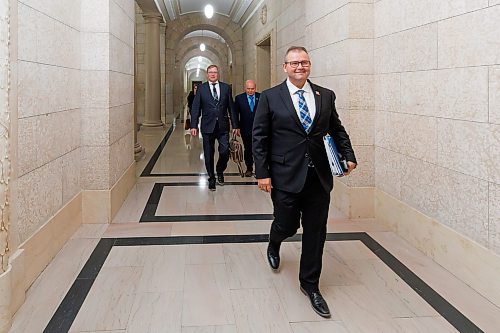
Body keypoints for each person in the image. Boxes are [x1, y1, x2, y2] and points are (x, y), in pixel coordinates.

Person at [252, 46, 357, 318]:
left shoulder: (325, 95)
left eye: (305, 62)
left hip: (318, 177)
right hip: (285, 175)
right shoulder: (270, 97)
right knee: (286, 224)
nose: (300, 67)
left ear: (309, 66)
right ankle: (275, 241)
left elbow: (336, 128)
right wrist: (262, 173)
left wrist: (348, 154)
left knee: (315, 232)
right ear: (284, 66)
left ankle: (310, 285)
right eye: (294, 63)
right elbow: (259, 138)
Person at [190, 65, 240, 191]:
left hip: (223, 126)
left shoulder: (225, 88)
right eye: (210, 72)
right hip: (207, 126)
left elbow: (231, 107)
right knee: (208, 153)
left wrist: (235, 125)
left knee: (224, 151)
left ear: (218, 74)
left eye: (215, 72)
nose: (212, 74)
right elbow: (196, 107)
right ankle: (211, 178)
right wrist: (193, 125)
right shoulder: (201, 89)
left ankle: (220, 170)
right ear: (207, 74)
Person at [234, 80, 260, 177]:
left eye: (252, 89)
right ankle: (249, 168)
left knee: (258, 149)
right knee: (248, 149)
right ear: (245, 88)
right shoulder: (239, 98)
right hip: (245, 128)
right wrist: (236, 127)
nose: (250, 91)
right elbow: (235, 114)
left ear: (255, 88)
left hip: (259, 129)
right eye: (248, 89)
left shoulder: (260, 97)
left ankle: (259, 169)